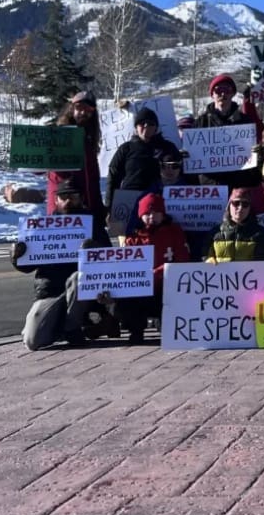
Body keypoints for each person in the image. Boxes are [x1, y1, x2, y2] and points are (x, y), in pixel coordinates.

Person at [11, 173, 112, 349]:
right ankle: (61, 325)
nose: (67, 202)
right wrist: (17, 256)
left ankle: (72, 327)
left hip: (83, 292)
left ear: (80, 199)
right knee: (32, 341)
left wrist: (94, 250)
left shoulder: (92, 226)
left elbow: (110, 260)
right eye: (63, 197)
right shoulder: (43, 227)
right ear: (56, 200)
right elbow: (27, 266)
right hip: (52, 291)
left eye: (72, 197)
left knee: (77, 278)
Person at [118, 194, 191, 344]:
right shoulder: (133, 237)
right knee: (128, 298)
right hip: (142, 288)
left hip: (167, 285)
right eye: (147, 213)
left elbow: (182, 259)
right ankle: (136, 330)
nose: (152, 217)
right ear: (140, 215)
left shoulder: (174, 232)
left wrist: (158, 273)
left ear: (163, 214)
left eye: (156, 213)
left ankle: (166, 325)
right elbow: (125, 266)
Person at [104, 106, 174, 235]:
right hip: (128, 200)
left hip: (156, 200)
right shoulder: (126, 148)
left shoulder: (167, 147)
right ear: (136, 127)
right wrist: (109, 206)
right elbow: (113, 175)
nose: (146, 127)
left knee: (158, 239)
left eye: (151, 124)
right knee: (127, 241)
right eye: (142, 123)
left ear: (156, 127)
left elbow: (178, 168)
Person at [47, 91, 104, 219]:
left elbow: (93, 180)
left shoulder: (89, 140)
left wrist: (99, 208)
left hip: (86, 209)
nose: (84, 113)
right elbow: (38, 168)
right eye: (79, 108)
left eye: (89, 109)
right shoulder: (56, 135)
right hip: (62, 207)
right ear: (71, 108)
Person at [206, 191, 264, 262]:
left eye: (245, 204)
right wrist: (208, 260)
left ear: (250, 208)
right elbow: (204, 255)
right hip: (220, 273)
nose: (240, 208)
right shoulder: (215, 232)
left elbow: (261, 262)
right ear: (229, 206)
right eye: (236, 203)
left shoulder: (259, 233)